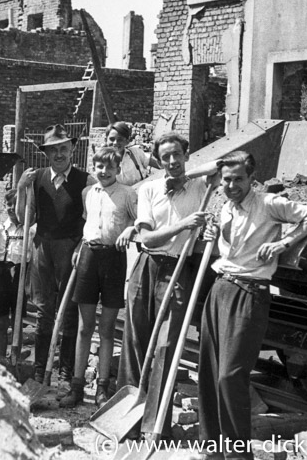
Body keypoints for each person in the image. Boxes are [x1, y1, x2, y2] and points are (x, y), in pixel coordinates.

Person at [198, 151, 307, 459]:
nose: (231, 185)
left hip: (250, 293)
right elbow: (223, 251)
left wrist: (283, 243)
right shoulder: (224, 207)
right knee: (209, 372)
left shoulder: (268, 204)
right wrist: (212, 237)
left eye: (238, 179)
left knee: (231, 375)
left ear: (251, 179)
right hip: (220, 289)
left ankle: (239, 454)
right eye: (226, 179)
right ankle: (213, 446)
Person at [117, 131, 218, 439]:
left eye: (177, 155)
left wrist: (185, 175)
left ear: (186, 155)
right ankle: (128, 418)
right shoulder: (148, 190)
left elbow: (221, 164)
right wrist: (184, 225)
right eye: (166, 158)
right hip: (146, 266)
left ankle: (154, 424)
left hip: (177, 269)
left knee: (165, 345)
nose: (172, 161)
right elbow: (146, 237)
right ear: (158, 162)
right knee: (135, 339)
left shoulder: (201, 188)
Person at [16, 124, 96, 384]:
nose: (59, 154)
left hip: (71, 249)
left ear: (72, 149)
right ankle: (40, 369)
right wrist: (20, 189)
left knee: (69, 310)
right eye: (53, 150)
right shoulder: (36, 178)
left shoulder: (86, 181)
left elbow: (93, 221)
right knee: (43, 310)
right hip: (43, 248)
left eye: (63, 148)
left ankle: (66, 368)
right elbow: (22, 219)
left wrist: (80, 246)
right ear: (46, 153)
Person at [59, 146, 137, 409]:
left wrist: (130, 229)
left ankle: (103, 388)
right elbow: (89, 223)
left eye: (109, 167)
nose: (104, 172)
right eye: (99, 166)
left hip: (114, 258)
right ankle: (77, 387)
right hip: (89, 258)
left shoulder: (128, 194)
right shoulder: (88, 193)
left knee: (106, 328)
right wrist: (81, 247)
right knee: (84, 326)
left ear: (118, 169)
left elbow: (139, 221)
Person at [0, 189, 35, 361]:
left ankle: (15, 357)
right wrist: (3, 273)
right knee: (1, 321)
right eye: (9, 204)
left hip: (20, 278)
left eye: (17, 205)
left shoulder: (29, 232)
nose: (12, 208)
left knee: (17, 322)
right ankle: (0, 356)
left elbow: (31, 259)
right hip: (3, 277)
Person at [104, 121, 159, 186]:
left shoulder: (136, 153)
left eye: (120, 139)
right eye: (112, 139)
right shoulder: (102, 160)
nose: (115, 143)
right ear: (106, 140)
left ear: (127, 141)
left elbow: (160, 165)